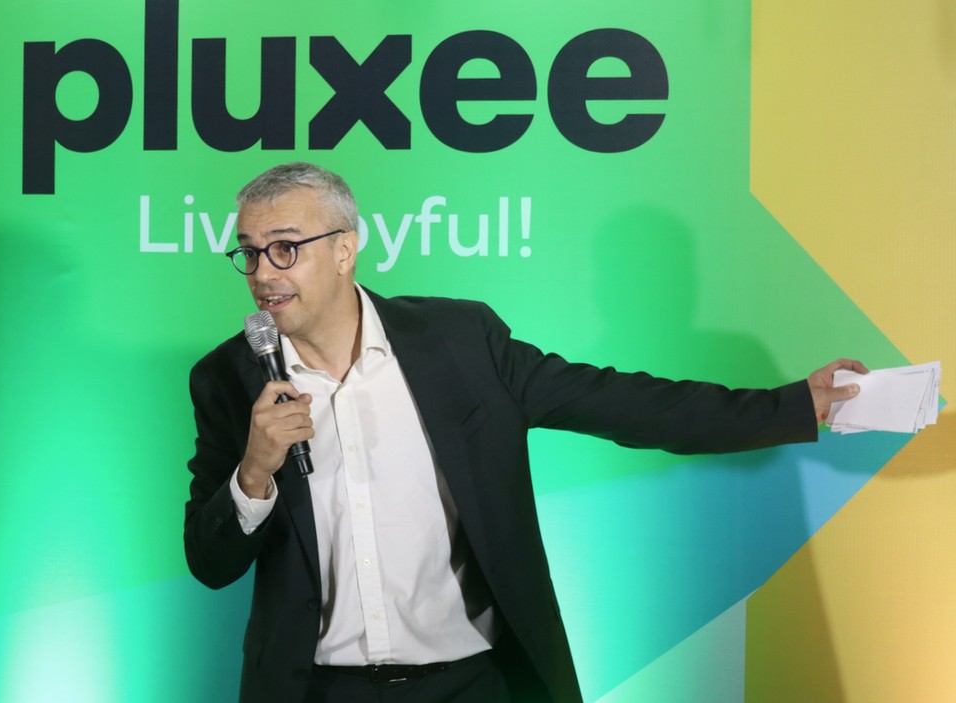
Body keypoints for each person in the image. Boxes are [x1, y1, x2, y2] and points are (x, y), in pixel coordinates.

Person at [184, 162, 865, 703]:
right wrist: (254, 471)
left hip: (473, 683)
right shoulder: (227, 380)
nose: (263, 274)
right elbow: (209, 563)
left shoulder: (459, 342)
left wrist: (791, 406)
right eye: (250, 253)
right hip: (315, 690)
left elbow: (623, 403)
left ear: (344, 250)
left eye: (284, 249)